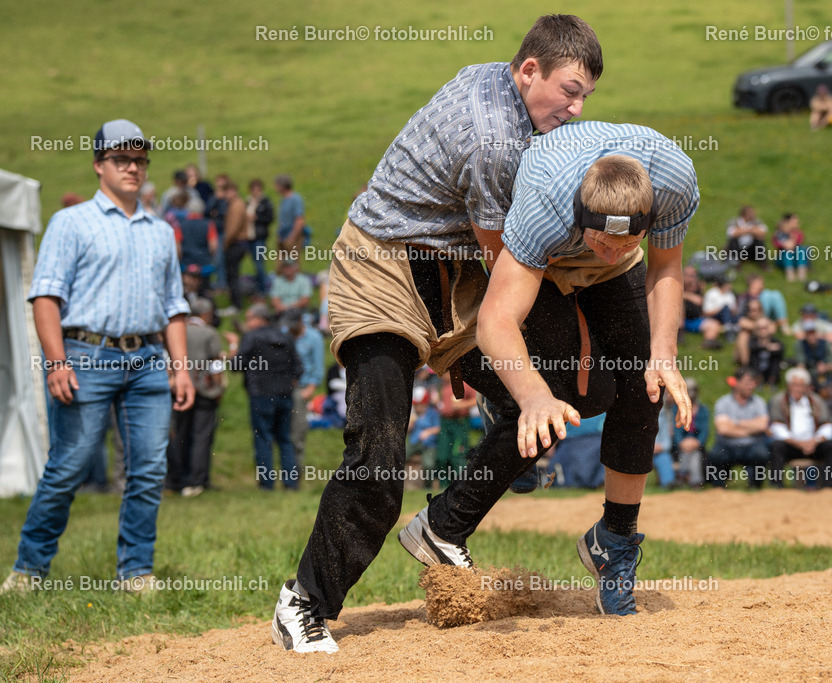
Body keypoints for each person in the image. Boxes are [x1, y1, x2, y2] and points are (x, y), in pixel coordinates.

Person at [272, 15, 604, 653]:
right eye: (569, 91)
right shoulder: (494, 138)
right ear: (529, 70)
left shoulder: (500, 85)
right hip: (381, 267)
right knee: (379, 457)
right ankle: (304, 602)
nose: (576, 108)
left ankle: (443, 527)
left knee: (551, 397)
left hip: (447, 272)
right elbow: (506, 258)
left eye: (586, 95)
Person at [401, 122, 698, 617]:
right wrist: (530, 395)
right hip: (540, 257)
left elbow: (665, 266)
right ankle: (464, 483)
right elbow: (497, 320)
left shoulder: (674, 183)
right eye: (602, 240)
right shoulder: (545, 202)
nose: (611, 250)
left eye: (628, 240)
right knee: (562, 395)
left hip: (601, 261)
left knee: (645, 384)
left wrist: (663, 353)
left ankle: (614, 541)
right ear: (580, 214)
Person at [3, 119, 194, 594]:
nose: (132, 167)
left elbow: (174, 307)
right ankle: (28, 570)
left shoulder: (160, 231)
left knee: (148, 471)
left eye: (140, 160)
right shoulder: (70, 223)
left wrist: (181, 368)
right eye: (120, 159)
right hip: (84, 355)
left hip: (148, 359)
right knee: (69, 466)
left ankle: (136, 572)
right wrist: (56, 362)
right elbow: (45, 298)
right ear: (98, 165)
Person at [226, 303, 302, 491]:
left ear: (259, 319)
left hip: (261, 394)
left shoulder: (251, 337)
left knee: (263, 438)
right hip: (285, 394)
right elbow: (298, 367)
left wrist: (233, 345)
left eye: (249, 318)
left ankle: (267, 484)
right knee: (285, 439)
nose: (247, 322)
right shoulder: (285, 337)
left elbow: (236, 365)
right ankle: (291, 483)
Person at [166, 298, 225, 498]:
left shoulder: (177, 331)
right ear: (207, 314)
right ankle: (198, 480)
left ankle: (177, 478)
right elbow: (215, 364)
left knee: (180, 434)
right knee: (202, 436)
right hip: (203, 389)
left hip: (179, 389)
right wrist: (218, 388)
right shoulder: (209, 333)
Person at [768, 367, 832, 489]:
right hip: (791, 445)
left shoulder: (816, 401)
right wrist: (797, 443)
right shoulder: (779, 401)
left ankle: (829, 487)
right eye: (794, 385)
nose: (797, 389)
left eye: (800, 385)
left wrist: (815, 441)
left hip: (813, 445)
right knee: (776, 446)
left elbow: (827, 425)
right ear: (788, 386)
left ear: (806, 387)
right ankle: (777, 486)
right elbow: (776, 427)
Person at [707, 367, 771, 488]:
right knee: (716, 454)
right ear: (737, 383)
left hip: (752, 445)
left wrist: (735, 423)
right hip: (727, 445)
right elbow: (723, 429)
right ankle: (718, 488)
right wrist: (751, 430)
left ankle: (755, 487)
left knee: (761, 454)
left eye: (753, 383)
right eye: (748, 383)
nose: (751, 386)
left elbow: (763, 425)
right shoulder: (723, 402)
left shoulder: (759, 402)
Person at [283, 310, 324, 472]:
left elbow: (318, 366)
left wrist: (310, 389)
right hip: (282, 388)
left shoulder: (314, 337)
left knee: (298, 432)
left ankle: (296, 470)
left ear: (300, 321)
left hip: (302, 388)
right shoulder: (284, 334)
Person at [222, 180, 250, 313]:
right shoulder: (234, 204)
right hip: (236, 242)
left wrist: (226, 242)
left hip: (236, 243)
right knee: (232, 274)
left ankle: (236, 305)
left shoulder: (237, 206)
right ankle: (235, 302)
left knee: (233, 275)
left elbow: (233, 228)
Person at [680, 264, 722, 349]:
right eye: (687, 275)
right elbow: (674, 295)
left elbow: (702, 303)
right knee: (680, 302)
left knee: (714, 324)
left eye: (693, 275)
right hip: (680, 321)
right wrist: (689, 296)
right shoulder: (679, 285)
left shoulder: (699, 286)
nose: (690, 278)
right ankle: (679, 334)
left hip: (695, 320)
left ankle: (709, 341)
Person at [247, 178, 275, 296]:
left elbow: (270, 218)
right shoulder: (248, 202)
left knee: (259, 264)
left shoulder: (265, 202)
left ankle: (263, 290)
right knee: (255, 263)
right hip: (249, 237)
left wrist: (257, 218)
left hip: (259, 237)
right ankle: (258, 288)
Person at [275, 174, 308, 257]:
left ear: (282, 186)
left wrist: (292, 237)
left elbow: (299, 220)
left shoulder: (295, 199)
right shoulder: (284, 199)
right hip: (283, 237)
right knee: (281, 263)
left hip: (292, 237)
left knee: (292, 263)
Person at [772, 213, 808, 282]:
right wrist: (785, 244)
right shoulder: (778, 234)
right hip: (783, 260)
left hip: (796, 258)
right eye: (794, 221)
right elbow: (777, 244)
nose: (797, 223)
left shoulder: (798, 233)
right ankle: (790, 274)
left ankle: (801, 272)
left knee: (801, 250)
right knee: (786, 252)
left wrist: (792, 240)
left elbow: (797, 242)